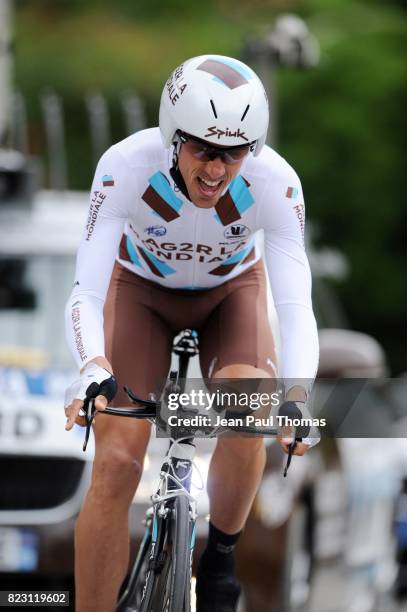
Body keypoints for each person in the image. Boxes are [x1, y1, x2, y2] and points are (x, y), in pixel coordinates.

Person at [64, 54, 319, 612]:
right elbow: (84, 292)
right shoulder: (125, 166)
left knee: (249, 411)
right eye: (203, 149)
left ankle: (221, 558)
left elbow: (296, 304)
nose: (216, 171)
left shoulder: (275, 183)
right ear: (171, 135)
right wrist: (92, 369)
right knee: (115, 463)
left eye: (234, 153)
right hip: (139, 294)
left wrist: (298, 396)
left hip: (231, 295)